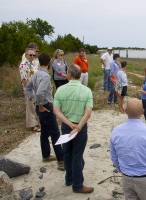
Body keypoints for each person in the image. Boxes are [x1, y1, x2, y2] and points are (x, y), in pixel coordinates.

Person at [110, 98, 146, 200]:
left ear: (126, 110)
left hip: (127, 179)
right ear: (143, 112)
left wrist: (122, 170)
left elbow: (114, 157)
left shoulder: (116, 131)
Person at [53, 64, 94, 194]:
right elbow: (88, 113)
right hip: (80, 127)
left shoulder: (60, 90)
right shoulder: (87, 91)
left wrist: (69, 124)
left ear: (69, 75)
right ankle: (77, 185)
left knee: (67, 153)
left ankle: (69, 179)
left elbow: (56, 111)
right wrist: (78, 127)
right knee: (77, 155)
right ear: (80, 75)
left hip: (66, 126)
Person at [25, 53, 64, 171]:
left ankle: (46, 155)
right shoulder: (46, 76)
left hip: (40, 106)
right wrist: (40, 104)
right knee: (55, 133)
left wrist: (33, 100)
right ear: (49, 63)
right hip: (46, 106)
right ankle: (61, 161)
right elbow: (39, 92)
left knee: (45, 131)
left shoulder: (36, 74)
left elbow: (28, 87)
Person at [19, 48, 40, 132]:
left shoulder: (33, 64)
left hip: (35, 88)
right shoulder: (23, 65)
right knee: (30, 107)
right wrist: (29, 90)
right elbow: (24, 79)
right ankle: (32, 125)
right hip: (29, 89)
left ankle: (36, 123)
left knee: (35, 107)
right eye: (30, 55)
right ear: (26, 55)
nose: (32, 56)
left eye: (34, 55)